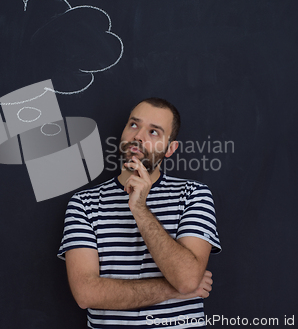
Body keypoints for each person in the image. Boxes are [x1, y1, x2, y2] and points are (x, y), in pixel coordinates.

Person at [58, 98, 221, 328]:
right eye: (134, 125)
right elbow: (86, 294)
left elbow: (186, 278)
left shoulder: (194, 195)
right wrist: (173, 290)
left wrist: (140, 209)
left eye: (154, 132)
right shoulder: (83, 204)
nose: (138, 136)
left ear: (170, 149)